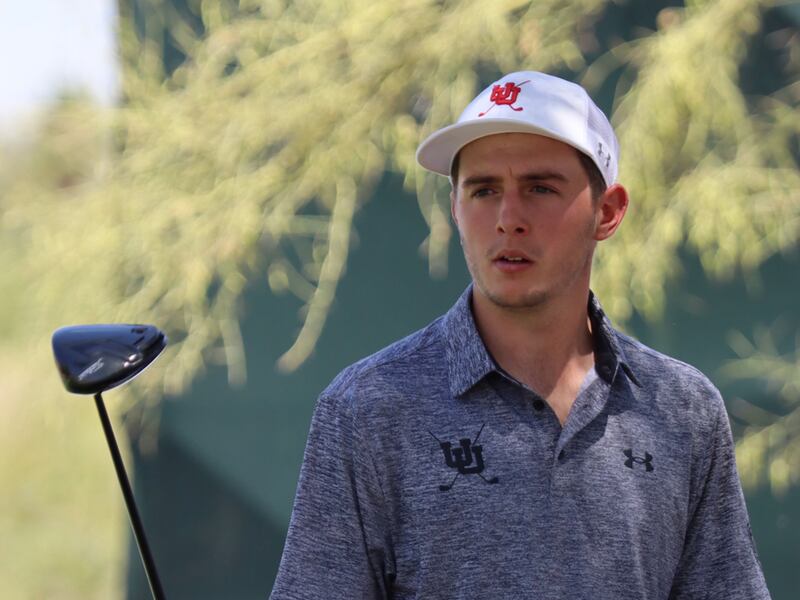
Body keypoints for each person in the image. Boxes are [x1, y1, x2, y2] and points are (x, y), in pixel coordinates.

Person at [270, 71, 771, 599]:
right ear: (455, 208)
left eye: (540, 188)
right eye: (484, 190)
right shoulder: (367, 407)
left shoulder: (683, 409)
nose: (508, 219)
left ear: (608, 211)